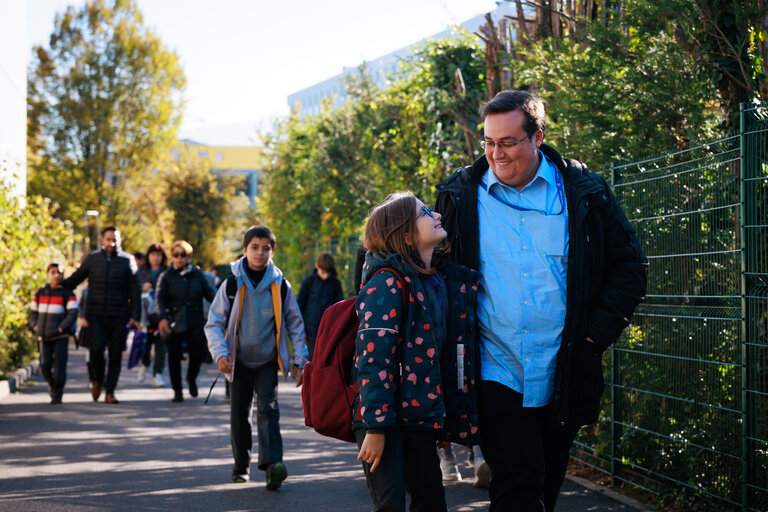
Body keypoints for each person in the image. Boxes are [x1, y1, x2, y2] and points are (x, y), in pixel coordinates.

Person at [434, 90, 648, 512]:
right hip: (495, 368)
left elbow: (629, 267)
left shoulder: (584, 192)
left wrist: (592, 339)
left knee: (546, 483)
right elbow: (437, 276)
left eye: (509, 142)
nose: (497, 154)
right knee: (516, 484)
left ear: (537, 137)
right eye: (489, 142)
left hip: (564, 368)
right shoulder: (459, 196)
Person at [354, 192, 481, 512]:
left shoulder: (436, 282)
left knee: (431, 504)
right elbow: (374, 358)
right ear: (407, 235)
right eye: (425, 213)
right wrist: (377, 428)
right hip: (384, 419)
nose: (437, 215)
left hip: (419, 419)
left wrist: (440, 418)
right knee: (391, 505)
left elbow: (441, 357)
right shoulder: (387, 282)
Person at [205, 226, 307, 490]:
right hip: (236, 361)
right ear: (244, 249)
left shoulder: (280, 286)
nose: (260, 253)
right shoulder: (231, 283)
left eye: (266, 248)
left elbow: (295, 324)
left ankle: (274, 466)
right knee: (239, 415)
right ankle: (241, 467)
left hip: (266, 361)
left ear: (272, 251)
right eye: (255, 247)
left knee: (268, 410)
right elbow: (214, 323)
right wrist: (220, 354)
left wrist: (299, 359)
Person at [61, 226, 141, 404]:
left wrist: (136, 316)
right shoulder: (93, 258)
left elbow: (135, 291)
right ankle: (98, 381)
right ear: (102, 240)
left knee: (115, 354)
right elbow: (76, 278)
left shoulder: (127, 261)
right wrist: (59, 285)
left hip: (119, 315)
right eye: (108, 239)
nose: (111, 243)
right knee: (96, 350)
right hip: (95, 314)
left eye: (115, 239)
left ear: (120, 241)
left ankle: (110, 391)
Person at [156, 241, 216, 402]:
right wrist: (162, 317)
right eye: (176, 255)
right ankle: (177, 391)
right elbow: (159, 298)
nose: (180, 258)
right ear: (172, 256)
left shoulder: (197, 274)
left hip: (195, 320)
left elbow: (210, 293)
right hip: (174, 322)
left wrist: (223, 303)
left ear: (189, 256)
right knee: (174, 357)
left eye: (183, 255)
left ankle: (191, 378)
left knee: (198, 354)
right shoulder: (166, 276)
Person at [29, 262, 79, 404]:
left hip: (60, 336)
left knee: (59, 367)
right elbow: (32, 312)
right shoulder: (40, 292)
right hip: (44, 335)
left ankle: (57, 393)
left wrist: (61, 328)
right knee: (45, 364)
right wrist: (35, 326)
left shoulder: (68, 294)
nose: (56, 275)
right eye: (53, 272)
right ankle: (51, 383)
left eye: (60, 272)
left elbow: (72, 313)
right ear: (48, 274)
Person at [296, 252, 344, 360]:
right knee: (312, 358)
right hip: (310, 329)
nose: (326, 276)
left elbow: (339, 306)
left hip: (328, 329)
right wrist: (301, 329)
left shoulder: (335, 284)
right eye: (323, 272)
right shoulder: (308, 282)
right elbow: (300, 305)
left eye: (328, 272)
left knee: (325, 359)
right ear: (317, 266)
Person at [137, 243, 169, 387]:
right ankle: (144, 365)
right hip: (145, 316)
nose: (155, 258)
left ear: (162, 257)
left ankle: (158, 374)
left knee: (161, 346)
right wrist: (141, 288)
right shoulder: (141, 271)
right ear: (148, 256)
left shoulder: (167, 271)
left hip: (161, 314)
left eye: (158, 255)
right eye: (153, 255)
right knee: (145, 344)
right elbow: (132, 288)